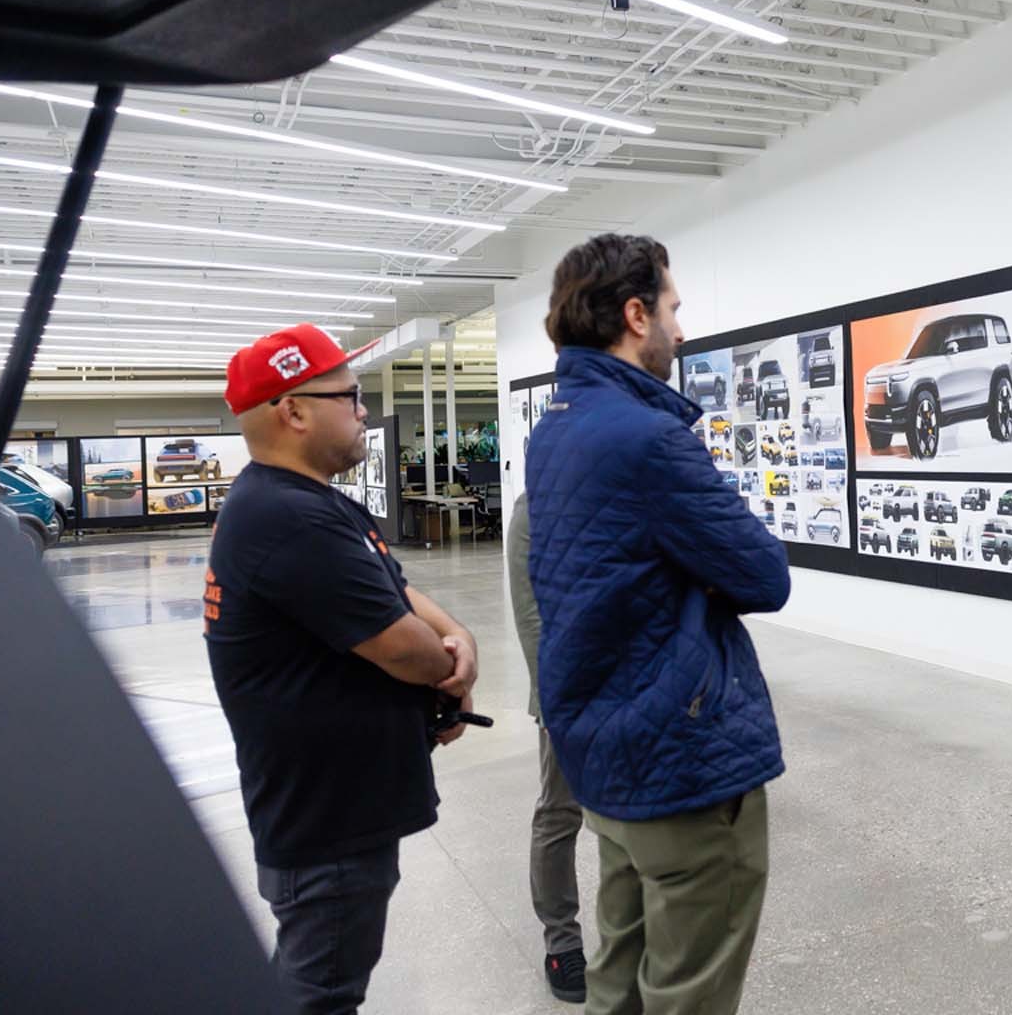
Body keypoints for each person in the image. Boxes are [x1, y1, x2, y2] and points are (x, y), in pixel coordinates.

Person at [527, 233, 790, 1015]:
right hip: (681, 758)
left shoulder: (556, 429)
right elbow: (764, 575)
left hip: (604, 749)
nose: (684, 328)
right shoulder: (648, 439)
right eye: (674, 308)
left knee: (619, 973)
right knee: (689, 990)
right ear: (636, 314)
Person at [204, 324, 480, 1015]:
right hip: (326, 820)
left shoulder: (309, 503)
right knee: (320, 993)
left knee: (311, 975)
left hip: (332, 805)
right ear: (293, 411)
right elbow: (401, 647)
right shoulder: (285, 518)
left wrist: (456, 632)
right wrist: (441, 664)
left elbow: (391, 587)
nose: (363, 411)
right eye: (350, 396)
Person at [508, 491, 588, 1003]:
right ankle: (562, 941)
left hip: (641, 683)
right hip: (571, 687)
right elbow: (530, 612)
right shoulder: (537, 503)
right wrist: (555, 697)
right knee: (561, 811)